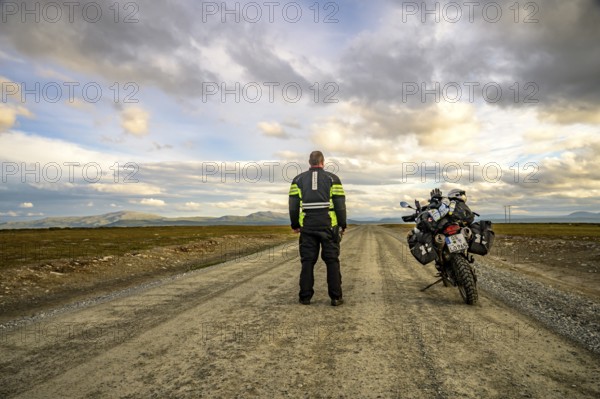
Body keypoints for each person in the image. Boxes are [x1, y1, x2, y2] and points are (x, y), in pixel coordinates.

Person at [288, 151, 347, 306]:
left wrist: (295, 225)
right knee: (332, 260)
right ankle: (336, 297)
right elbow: (340, 205)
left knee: (307, 261)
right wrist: (342, 224)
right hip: (329, 226)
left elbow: (293, 206)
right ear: (323, 162)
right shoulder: (333, 179)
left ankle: (305, 297)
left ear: (309, 162)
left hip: (307, 226)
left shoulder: (298, 180)